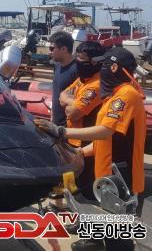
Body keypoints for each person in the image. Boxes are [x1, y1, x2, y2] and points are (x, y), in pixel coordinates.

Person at [35, 47, 146, 251]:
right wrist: (81, 152)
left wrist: (61, 131)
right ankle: (93, 241)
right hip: (107, 172)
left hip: (122, 174)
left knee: (117, 233)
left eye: (105, 65)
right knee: (101, 216)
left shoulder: (126, 95)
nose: (101, 69)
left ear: (114, 67)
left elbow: (105, 131)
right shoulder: (115, 95)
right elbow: (108, 139)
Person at [60, 41, 105, 199]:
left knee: (85, 183)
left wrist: (70, 103)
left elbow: (73, 113)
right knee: (68, 173)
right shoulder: (83, 79)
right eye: (77, 58)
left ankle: (79, 200)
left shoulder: (96, 84)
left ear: (95, 62)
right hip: (74, 137)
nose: (78, 62)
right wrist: (73, 101)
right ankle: (68, 197)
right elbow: (62, 95)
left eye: (82, 60)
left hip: (86, 139)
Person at [48, 31, 78, 126]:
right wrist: (52, 115)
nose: (49, 52)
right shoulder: (57, 66)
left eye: (52, 48)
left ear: (64, 49)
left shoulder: (77, 70)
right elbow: (56, 92)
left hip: (68, 127)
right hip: (56, 123)